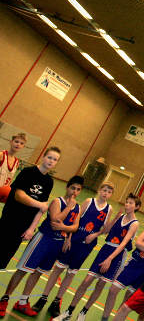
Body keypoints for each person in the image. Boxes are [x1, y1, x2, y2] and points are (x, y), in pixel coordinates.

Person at [0, 176, 81, 317]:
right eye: (73, 188)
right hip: (43, 239)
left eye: (78, 189)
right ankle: (5, 299)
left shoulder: (78, 207)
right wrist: (68, 209)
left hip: (57, 243)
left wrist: (66, 230)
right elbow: (56, 221)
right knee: (23, 270)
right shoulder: (57, 201)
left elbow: (75, 227)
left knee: (37, 272)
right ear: (67, 187)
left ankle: (23, 302)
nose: (75, 191)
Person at [54, 193, 141, 321]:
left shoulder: (134, 224)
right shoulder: (120, 217)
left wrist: (110, 259)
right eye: (126, 202)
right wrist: (115, 218)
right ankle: (69, 311)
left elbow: (123, 243)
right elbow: (106, 230)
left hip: (116, 255)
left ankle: (83, 312)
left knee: (100, 285)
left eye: (130, 203)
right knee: (86, 281)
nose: (127, 205)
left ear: (137, 207)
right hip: (105, 249)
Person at [34, 181, 114, 317]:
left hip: (87, 245)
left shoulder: (109, 209)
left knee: (71, 274)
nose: (106, 193)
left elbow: (105, 230)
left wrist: (97, 234)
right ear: (99, 190)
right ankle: (43, 298)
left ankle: (56, 301)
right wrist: (68, 238)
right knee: (58, 269)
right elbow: (74, 218)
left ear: (111, 194)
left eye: (109, 192)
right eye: (104, 190)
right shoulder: (89, 201)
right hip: (74, 239)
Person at [0, 146, 60, 277]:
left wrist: (31, 229)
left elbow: (41, 209)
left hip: (23, 227)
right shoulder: (28, 172)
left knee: (4, 259)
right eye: (49, 157)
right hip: (9, 220)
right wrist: (39, 204)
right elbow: (19, 195)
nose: (51, 161)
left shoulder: (49, 182)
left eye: (55, 160)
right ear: (43, 157)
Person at [0, 132, 27, 202]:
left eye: (21, 143)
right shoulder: (1, 155)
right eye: (16, 141)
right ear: (11, 142)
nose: (18, 144)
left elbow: (9, 180)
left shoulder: (16, 162)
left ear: (23, 147)